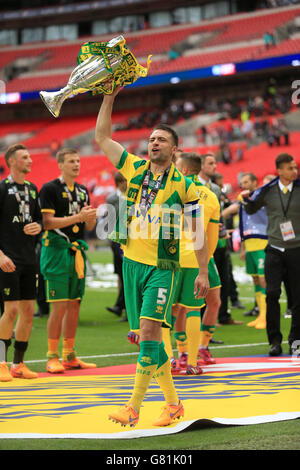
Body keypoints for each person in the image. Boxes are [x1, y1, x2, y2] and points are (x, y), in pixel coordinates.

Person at [95, 85, 209, 428]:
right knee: (153, 341)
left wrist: (202, 271)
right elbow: (102, 137)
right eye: (151, 139)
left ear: (175, 149)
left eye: (161, 139)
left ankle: (133, 407)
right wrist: (109, 98)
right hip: (131, 264)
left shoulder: (185, 186)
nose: (154, 143)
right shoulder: (135, 169)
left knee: (148, 333)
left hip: (163, 268)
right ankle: (174, 405)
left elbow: (198, 231)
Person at [39, 148, 98, 373]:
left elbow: (87, 226)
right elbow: (47, 222)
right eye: (71, 161)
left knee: (75, 304)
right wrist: (79, 217)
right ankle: (51, 356)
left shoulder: (83, 190)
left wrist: (90, 219)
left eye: (78, 161)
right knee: (59, 306)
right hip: (55, 251)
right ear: (60, 164)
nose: (76, 164)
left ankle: (69, 355)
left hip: (76, 252)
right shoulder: (50, 188)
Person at [241, 153, 300, 356]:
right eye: (290, 168)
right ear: (280, 170)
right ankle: (274, 341)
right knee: (272, 294)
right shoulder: (268, 190)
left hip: (296, 250)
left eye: (295, 167)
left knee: (298, 299)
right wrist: (246, 200)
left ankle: (296, 341)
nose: (295, 171)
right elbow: (251, 209)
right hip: (274, 249)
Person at [170, 152, 220, 373]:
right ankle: (191, 362)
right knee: (193, 308)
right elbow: (212, 237)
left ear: (184, 170)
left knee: (166, 310)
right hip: (195, 259)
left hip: (168, 258)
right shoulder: (210, 196)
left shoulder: (170, 190)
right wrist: (204, 262)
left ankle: (171, 360)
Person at [0, 143, 42, 381]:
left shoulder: (32, 189)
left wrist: (39, 226)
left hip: (29, 259)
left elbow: (38, 221)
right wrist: (1, 256)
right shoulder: (1, 188)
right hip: (7, 259)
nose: (30, 160)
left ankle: (19, 363)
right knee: (11, 310)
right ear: (12, 161)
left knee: (27, 311)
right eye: (25, 157)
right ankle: (1, 361)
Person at [199, 153, 243, 325]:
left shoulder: (216, 189)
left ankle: (223, 315)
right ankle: (204, 320)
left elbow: (217, 216)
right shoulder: (193, 186)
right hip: (202, 243)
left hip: (219, 240)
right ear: (201, 166)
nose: (215, 166)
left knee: (223, 279)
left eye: (215, 162)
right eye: (210, 163)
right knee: (204, 283)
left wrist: (222, 229)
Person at [238, 172, 268, 329]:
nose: (243, 185)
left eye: (246, 182)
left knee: (263, 280)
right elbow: (244, 222)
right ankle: (260, 314)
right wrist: (242, 248)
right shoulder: (242, 199)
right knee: (256, 279)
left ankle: (265, 316)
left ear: (255, 182)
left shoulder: (261, 196)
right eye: (242, 182)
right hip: (249, 244)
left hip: (262, 242)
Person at [105, 172, 127, 319]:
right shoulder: (112, 198)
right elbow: (111, 220)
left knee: (127, 274)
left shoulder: (135, 195)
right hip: (118, 240)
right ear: (119, 183)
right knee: (120, 273)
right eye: (125, 180)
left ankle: (121, 307)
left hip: (132, 239)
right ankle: (122, 307)